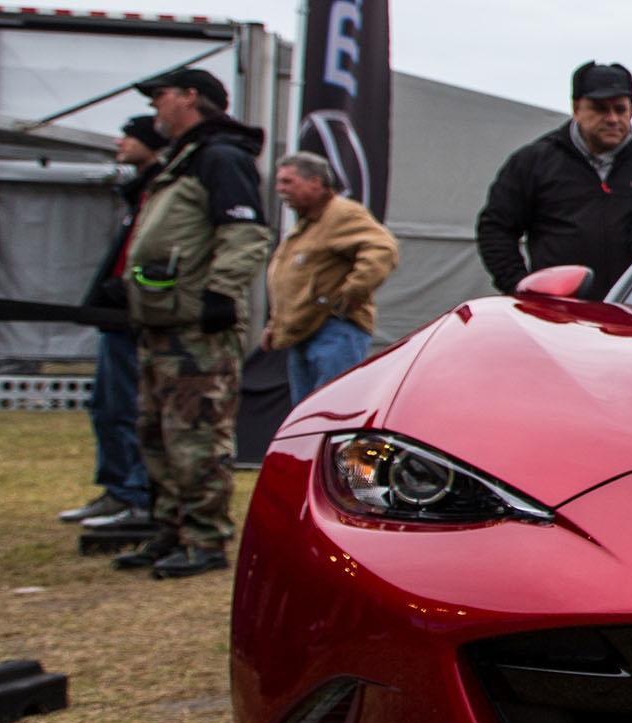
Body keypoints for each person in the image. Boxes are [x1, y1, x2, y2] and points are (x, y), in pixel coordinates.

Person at [114, 68, 270, 578]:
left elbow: (245, 233)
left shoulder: (220, 157)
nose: (154, 107)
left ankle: (204, 539)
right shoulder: (183, 159)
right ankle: (169, 529)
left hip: (196, 329)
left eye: (159, 96)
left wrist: (220, 294)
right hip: (163, 323)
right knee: (157, 433)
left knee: (196, 434)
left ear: (190, 97)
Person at [476, 61, 632, 296]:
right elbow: (495, 228)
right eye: (600, 108)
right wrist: (521, 288)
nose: (612, 118)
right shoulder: (535, 162)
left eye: (620, 109)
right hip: (559, 311)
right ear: (576, 108)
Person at [60, 114, 165, 528]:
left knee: (128, 408)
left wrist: (132, 290)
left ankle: (134, 494)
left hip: (134, 317)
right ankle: (117, 488)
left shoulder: (161, 188)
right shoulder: (139, 191)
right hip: (118, 315)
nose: (120, 143)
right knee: (107, 407)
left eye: (129, 136)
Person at [262, 151, 399, 402]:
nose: (280, 189)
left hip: (334, 330)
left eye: (288, 182)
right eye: (279, 182)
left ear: (315, 182)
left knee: (333, 408)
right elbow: (297, 279)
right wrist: (276, 324)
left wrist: (352, 292)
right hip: (304, 332)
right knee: (307, 415)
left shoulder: (341, 214)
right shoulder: (309, 223)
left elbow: (382, 248)